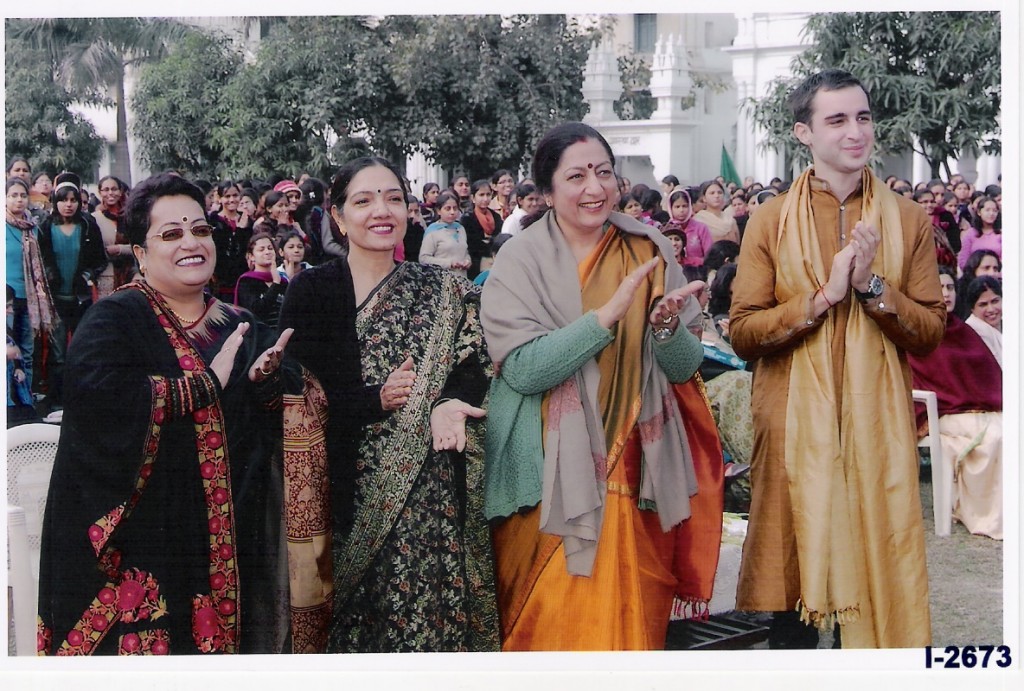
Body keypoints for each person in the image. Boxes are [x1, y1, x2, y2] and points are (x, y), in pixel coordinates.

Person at [480, 121, 723, 651]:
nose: (595, 188)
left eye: (604, 172)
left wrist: (663, 327)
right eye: (576, 176)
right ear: (545, 192)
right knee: (550, 629)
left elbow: (682, 369)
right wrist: (604, 319)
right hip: (547, 474)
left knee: (630, 625)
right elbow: (522, 370)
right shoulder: (519, 261)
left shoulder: (649, 247)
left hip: (638, 469)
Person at [730, 69, 945, 649]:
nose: (856, 132)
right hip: (795, 430)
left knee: (878, 586)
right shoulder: (770, 220)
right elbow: (744, 334)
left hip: (877, 435)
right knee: (791, 609)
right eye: (838, 120)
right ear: (803, 132)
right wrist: (822, 297)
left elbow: (929, 333)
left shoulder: (906, 220)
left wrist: (873, 286)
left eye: (864, 117)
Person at [37, 173, 292, 655]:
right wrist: (202, 385)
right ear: (139, 252)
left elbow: (275, 427)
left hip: (231, 553)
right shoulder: (115, 319)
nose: (191, 243)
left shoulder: (239, 323)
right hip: (144, 548)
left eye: (199, 230)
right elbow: (99, 402)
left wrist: (270, 386)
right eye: (171, 234)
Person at [278, 156, 500, 654]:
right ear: (337, 216)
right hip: (344, 495)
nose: (382, 210)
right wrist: (372, 401)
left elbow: (474, 359)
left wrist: (448, 402)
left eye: (393, 198)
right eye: (363, 200)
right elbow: (297, 397)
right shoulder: (312, 290)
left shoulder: (442, 288)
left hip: (430, 498)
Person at [907, 268, 1002, 539]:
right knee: (996, 438)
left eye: (950, 287)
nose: (946, 293)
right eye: (939, 287)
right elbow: (920, 377)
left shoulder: (963, 329)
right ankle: (988, 514)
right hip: (945, 412)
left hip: (981, 408)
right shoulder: (918, 331)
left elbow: (988, 375)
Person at [37, 173, 108, 406]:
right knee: (57, 354)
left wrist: (87, 275)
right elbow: (41, 259)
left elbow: (100, 259)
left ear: (79, 202)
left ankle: (82, 397)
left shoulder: (87, 224)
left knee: (81, 348)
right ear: (55, 202)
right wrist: (50, 276)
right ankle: (57, 398)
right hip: (55, 298)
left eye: (73, 200)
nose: (69, 205)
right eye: (63, 200)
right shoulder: (46, 227)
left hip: (81, 298)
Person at [6, 176, 60, 396]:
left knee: (26, 353)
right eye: (13, 195)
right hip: (6, 299)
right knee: (7, 352)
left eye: (22, 195)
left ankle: (25, 401)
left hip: (29, 300)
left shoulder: (33, 228)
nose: (19, 200)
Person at [234, 232, 288, 328]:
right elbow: (257, 312)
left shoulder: (283, 282)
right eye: (261, 249)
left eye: (270, 248)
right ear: (252, 257)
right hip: (260, 338)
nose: (267, 252)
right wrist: (275, 283)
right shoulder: (247, 281)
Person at [92, 175, 134, 297]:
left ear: (121, 192)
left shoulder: (130, 218)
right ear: (100, 193)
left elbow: (141, 247)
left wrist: (120, 249)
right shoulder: (94, 218)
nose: (110, 193)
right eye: (106, 189)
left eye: (114, 189)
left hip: (130, 275)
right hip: (104, 277)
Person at [420, 191, 471, 276]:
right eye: (448, 208)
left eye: (455, 208)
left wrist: (467, 261)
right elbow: (424, 259)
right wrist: (449, 263)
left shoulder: (460, 228)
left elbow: (465, 252)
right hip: (441, 280)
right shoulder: (433, 231)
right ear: (439, 211)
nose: (452, 212)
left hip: (461, 279)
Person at [460, 178, 504, 278]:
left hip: (494, 261)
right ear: (473, 198)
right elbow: (470, 243)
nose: (485, 199)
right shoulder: (467, 219)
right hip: (474, 264)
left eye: (488, 195)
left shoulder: (496, 217)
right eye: (481, 195)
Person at [662, 188, 713, 268]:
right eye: (677, 207)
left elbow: (709, 256)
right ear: (670, 208)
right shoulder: (666, 230)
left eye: (684, 206)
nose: (681, 210)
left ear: (690, 206)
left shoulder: (701, 228)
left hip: (698, 270)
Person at [963, 275, 1002, 365]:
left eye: (995, 301)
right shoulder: (973, 332)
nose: (991, 309)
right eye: (983, 304)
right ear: (972, 309)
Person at [958, 196, 1001, 269]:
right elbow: (963, 260)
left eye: (994, 211)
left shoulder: (1002, 234)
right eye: (987, 210)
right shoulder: (970, 233)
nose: (991, 213)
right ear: (979, 212)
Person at [694, 180, 741, 244]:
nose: (716, 196)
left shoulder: (730, 220)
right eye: (712, 193)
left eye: (720, 192)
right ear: (704, 198)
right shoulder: (699, 220)